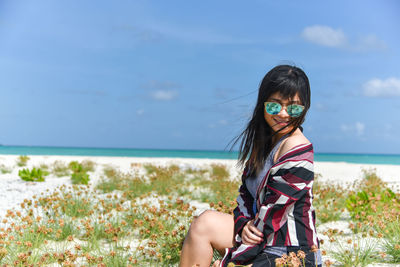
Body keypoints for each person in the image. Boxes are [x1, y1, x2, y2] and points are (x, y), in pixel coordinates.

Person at [179, 65, 321, 267]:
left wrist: (231, 261)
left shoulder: (297, 149)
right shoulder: (265, 143)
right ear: (263, 104)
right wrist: (243, 223)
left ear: (304, 109)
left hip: (290, 252)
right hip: (258, 236)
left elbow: (271, 216)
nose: (283, 114)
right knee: (203, 223)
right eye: (274, 106)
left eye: (293, 108)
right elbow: (245, 194)